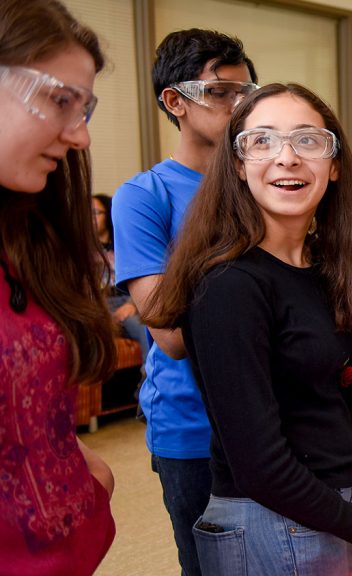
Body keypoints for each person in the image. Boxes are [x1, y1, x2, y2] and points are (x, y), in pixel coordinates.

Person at [144, 83, 352, 574]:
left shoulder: (319, 270)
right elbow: (261, 467)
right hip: (266, 525)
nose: (286, 158)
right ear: (237, 165)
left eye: (307, 141)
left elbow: (318, 408)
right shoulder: (229, 285)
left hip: (317, 513)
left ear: (335, 164)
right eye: (262, 141)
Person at [111, 29, 257, 576]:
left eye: (247, 92)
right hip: (192, 427)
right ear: (175, 101)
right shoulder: (143, 196)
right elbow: (168, 334)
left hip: (274, 417)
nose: (239, 106)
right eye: (221, 92)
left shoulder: (266, 186)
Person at [0, 0, 117, 572]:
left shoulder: (28, 241)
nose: (80, 136)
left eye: (85, 108)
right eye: (58, 100)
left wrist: (78, 465)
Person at [92, 194, 150, 363]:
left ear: (108, 214)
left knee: (145, 328)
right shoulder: (83, 248)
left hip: (129, 300)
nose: (91, 218)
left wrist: (132, 305)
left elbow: (140, 275)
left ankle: (147, 380)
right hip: (101, 305)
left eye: (95, 212)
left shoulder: (124, 244)